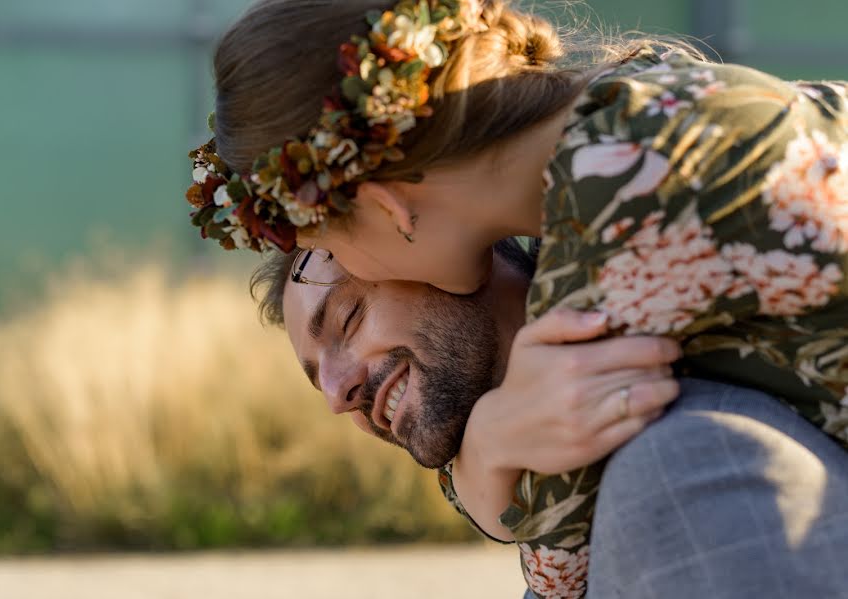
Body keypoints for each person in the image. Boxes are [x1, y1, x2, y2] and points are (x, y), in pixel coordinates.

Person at [184, 1, 848, 596]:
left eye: (348, 297)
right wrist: (486, 446)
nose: (336, 395)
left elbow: (561, 568)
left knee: (664, 474)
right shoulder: (629, 115)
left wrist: (491, 450)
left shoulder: (619, 185)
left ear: (383, 205)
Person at [257, 241, 848, 598]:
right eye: (319, 379)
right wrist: (484, 452)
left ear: (447, 255)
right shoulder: (523, 480)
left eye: (350, 317)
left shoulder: (680, 452)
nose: (337, 396)